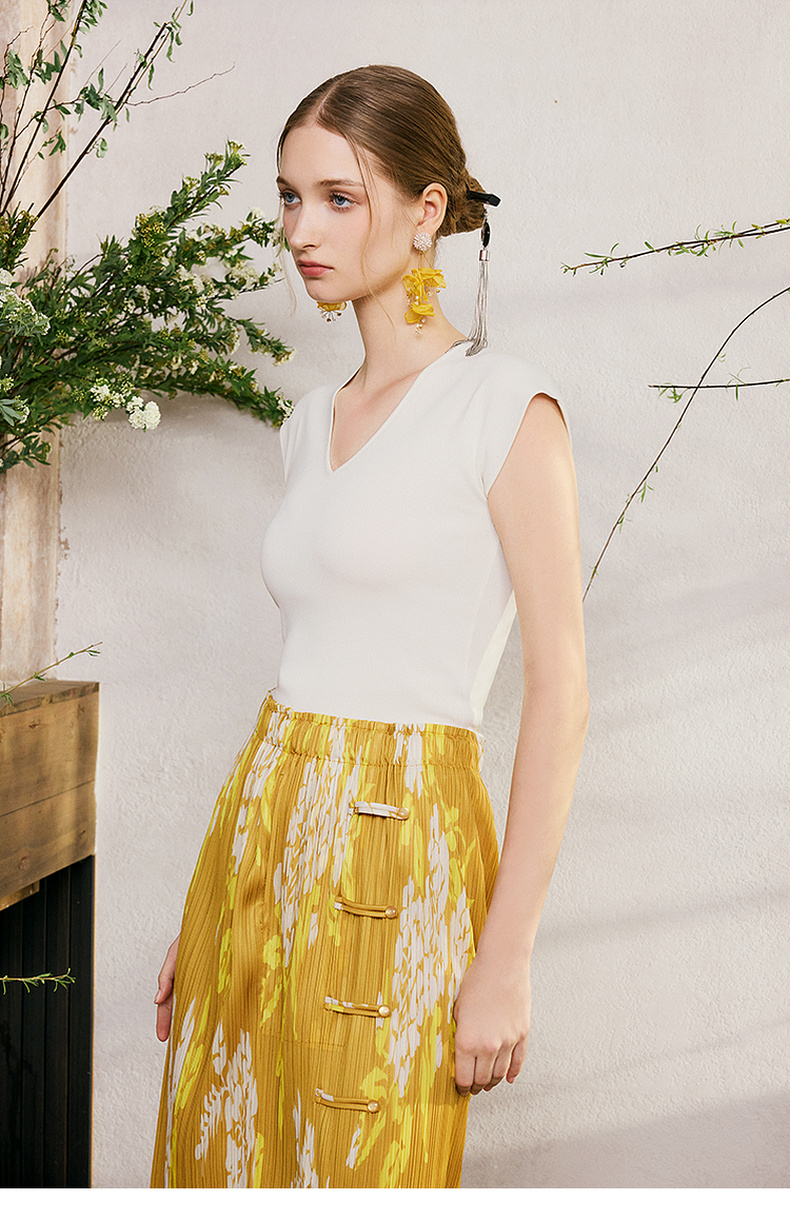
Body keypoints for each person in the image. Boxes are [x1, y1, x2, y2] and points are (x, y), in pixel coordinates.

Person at [150, 64, 589, 1190]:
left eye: (338, 197)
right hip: (257, 833)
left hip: (405, 835)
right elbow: (309, 662)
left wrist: (505, 959)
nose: (302, 229)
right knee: (218, 1167)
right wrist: (210, 907)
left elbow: (562, 689)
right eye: (289, 197)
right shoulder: (307, 425)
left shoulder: (507, 408)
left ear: (427, 209)